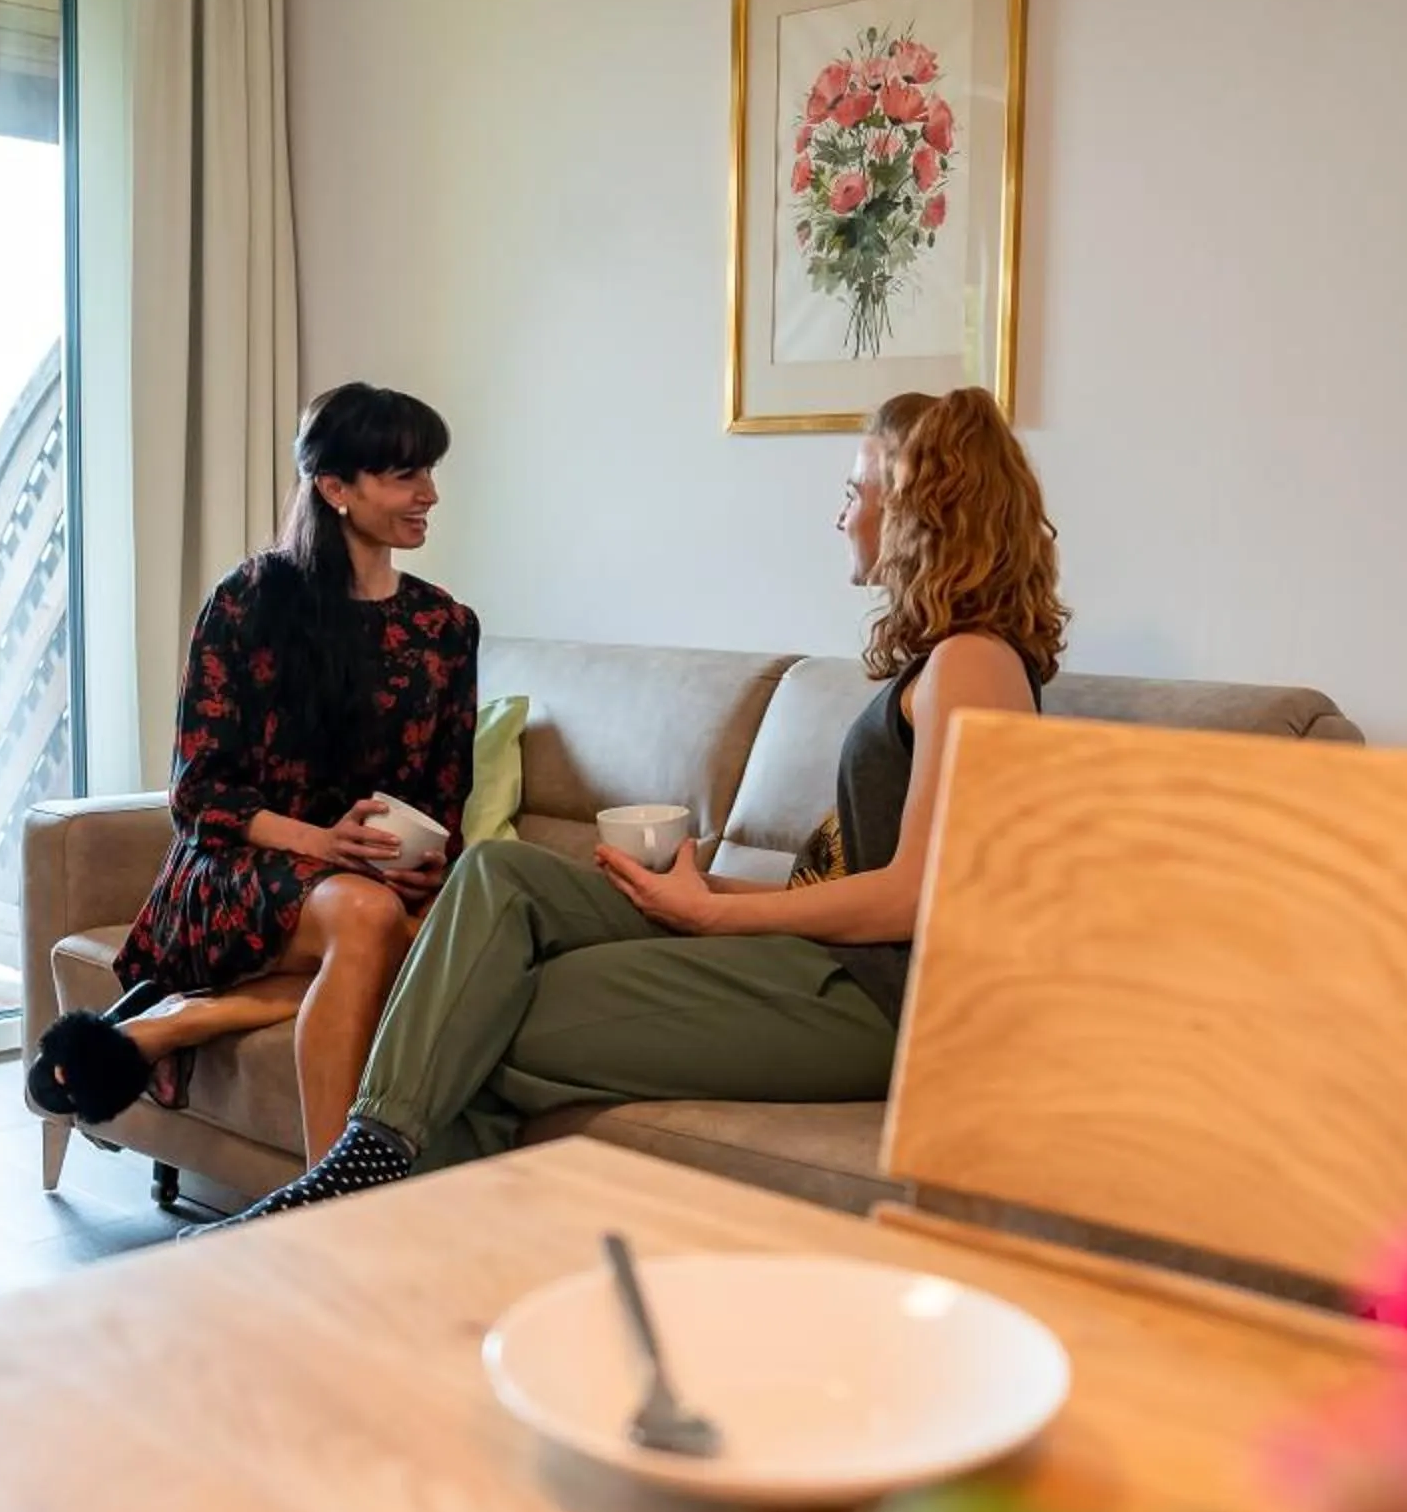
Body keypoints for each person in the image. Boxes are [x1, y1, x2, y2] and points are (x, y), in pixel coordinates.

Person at [229, 385, 1066, 1218]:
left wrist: (712, 918)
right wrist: (710, 892)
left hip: (882, 1005)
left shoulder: (974, 662)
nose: (842, 516)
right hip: (829, 963)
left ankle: (366, 1215)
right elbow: (871, 884)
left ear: (922, 507)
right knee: (499, 874)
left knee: (497, 1008)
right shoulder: (942, 662)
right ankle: (368, 1171)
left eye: (856, 492)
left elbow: (920, 897)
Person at [28, 383, 478, 1162]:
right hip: (235, 869)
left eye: (428, 472)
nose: (428, 494)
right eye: (405, 475)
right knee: (371, 923)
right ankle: (331, 1194)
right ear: (335, 488)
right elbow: (199, 790)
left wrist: (429, 863)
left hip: (367, 881)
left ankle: (177, 1022)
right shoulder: (250, 601)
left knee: (440, 933)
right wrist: (322, 844)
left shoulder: (446, 626)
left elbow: (444, 790)